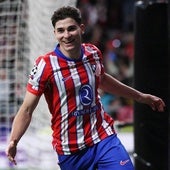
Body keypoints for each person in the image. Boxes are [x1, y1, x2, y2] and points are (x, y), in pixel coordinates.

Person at [6, 6, 165, 170]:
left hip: (103, 137)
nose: (66, 35)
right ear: (55, 33)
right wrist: (14, 140)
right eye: (60, 30)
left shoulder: (93, 53)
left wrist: (140, 97)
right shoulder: (45, 65)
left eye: (71, 29)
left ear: (81, 29)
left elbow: (102, 79)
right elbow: (26, 109)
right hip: (71, 150)